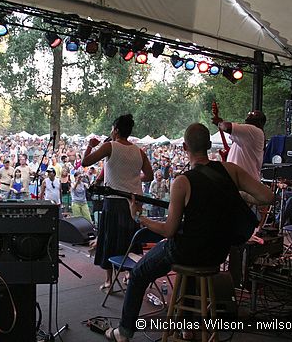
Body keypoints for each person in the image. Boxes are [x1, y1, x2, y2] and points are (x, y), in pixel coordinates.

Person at [104, 123, 273, 341]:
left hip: (188, 252)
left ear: (185, 147)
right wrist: (238, 196)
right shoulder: (230, 170)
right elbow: (267, 197)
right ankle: (188, 327)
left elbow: (169, 230)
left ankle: (123, 333)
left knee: (138, 274)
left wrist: (139, 218)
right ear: (210, 145)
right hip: (218, 252)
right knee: (195, 253)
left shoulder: (182, 182)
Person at [82, 114, 153, 290]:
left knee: (109, 238)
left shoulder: (110, 146)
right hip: (134, 201)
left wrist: (90, 146)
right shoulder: (139, 151)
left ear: (116, 130)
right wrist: (133, 179)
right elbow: (149, 176)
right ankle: (130, 274)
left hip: (114, 201)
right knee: (131, 237)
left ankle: (109, 280)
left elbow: (85, 162)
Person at [212, 110, 266, 181]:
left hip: (246, 182)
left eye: (253, 114)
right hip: (241, 181)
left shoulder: (255, 131)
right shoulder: (246, 136)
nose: (249, 114)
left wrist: (219, 123)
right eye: (249, 112)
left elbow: (227, 127)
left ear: (260, 122)